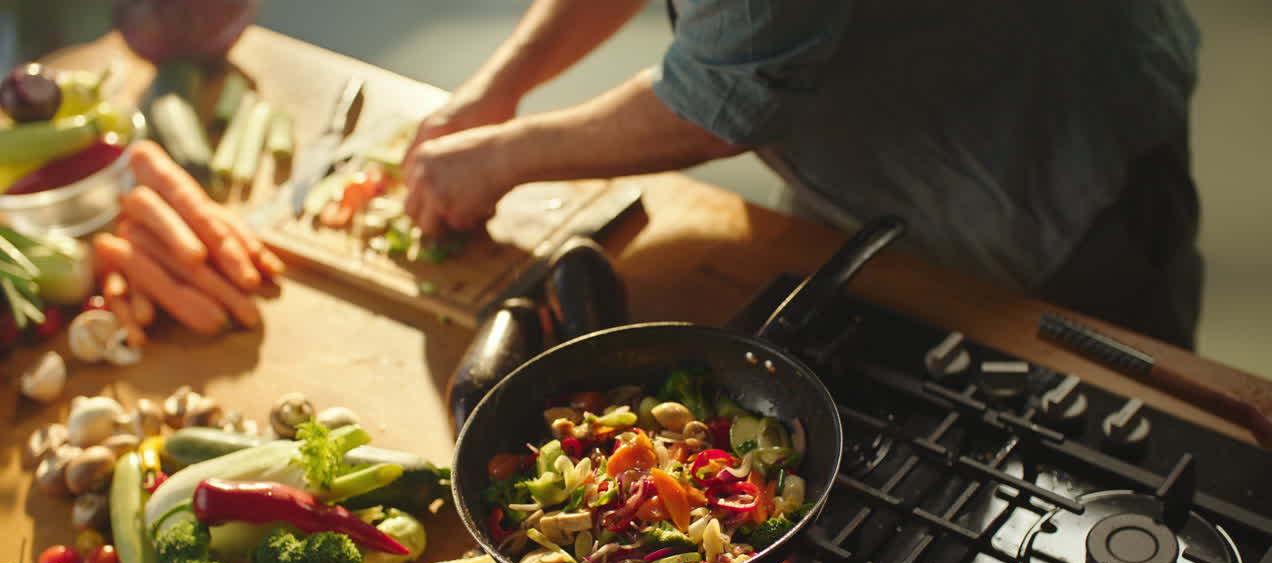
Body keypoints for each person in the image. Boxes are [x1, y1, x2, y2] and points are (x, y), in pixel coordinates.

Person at [401, 0, 1204, 348]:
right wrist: (500, 85)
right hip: (881, 139)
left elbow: (724, 97)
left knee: (1128, 443)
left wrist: (502, 158)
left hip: (1048, 153)